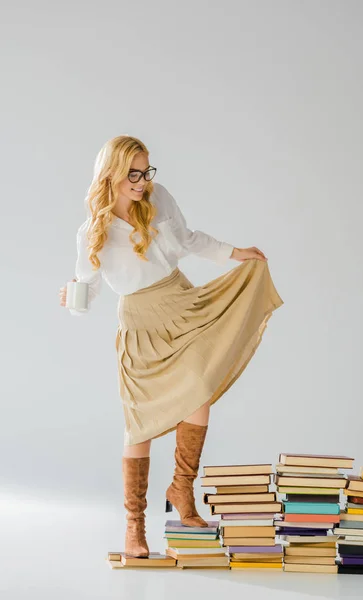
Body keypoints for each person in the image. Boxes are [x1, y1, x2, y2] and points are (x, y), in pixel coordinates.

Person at [59, 134, 284, 558]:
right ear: (111, 173)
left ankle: (181, 488)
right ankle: (134, 525)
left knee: (199, 391)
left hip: (180, 304)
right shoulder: (93, 229)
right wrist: (70, 297)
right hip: (140, 324)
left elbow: (187, 239)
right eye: (133, 174)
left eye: (146, 171)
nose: (142, 181)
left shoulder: (159, 197)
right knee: (139, 425)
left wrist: (235, 253)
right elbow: (86, 290)